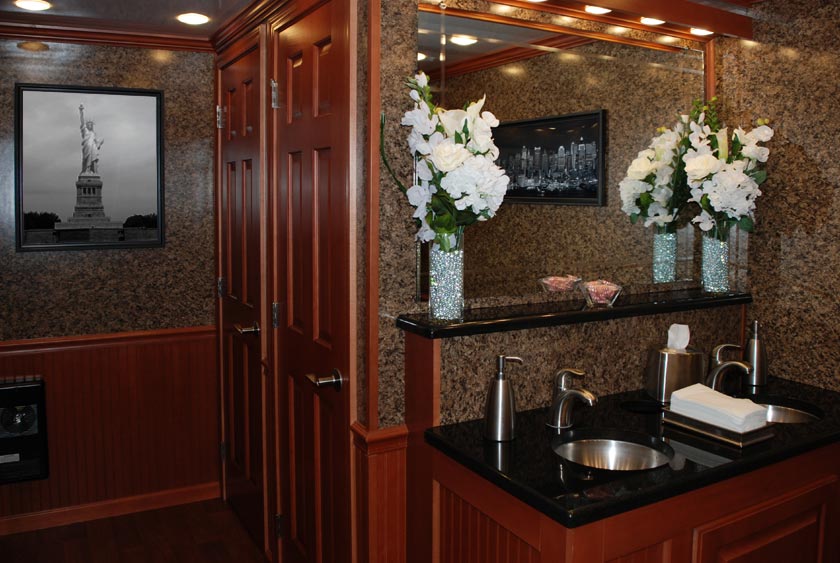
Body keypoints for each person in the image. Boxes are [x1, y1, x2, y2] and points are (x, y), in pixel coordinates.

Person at [79, 104, 104, 174]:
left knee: (94, 158)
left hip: (93, 147)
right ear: (86, 125)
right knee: (87, 158)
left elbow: (97, 142)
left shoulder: (94, 133)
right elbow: (82, 121)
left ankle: (93, 171)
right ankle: (86, 170)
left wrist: (100, 142)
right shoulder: (85, 131)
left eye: (91, 124)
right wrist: (81, 111)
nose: (90, 125)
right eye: (88, 124)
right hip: (87, 147)